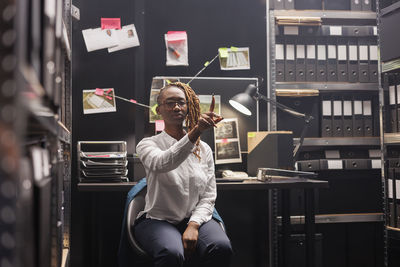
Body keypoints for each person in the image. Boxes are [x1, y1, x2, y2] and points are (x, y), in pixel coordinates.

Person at [135, 82, 233, 267]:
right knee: (171, 253)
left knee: (221, 247)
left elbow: (208, 196)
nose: (177, 107)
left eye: (181, 102)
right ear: (158, 110)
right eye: (170, 103)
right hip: (158, 220)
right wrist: (196, 132)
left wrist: (194, 224)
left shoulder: (203, 149)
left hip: (195, 219)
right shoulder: (147, 144)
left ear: (188, 108)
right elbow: (162, 163)